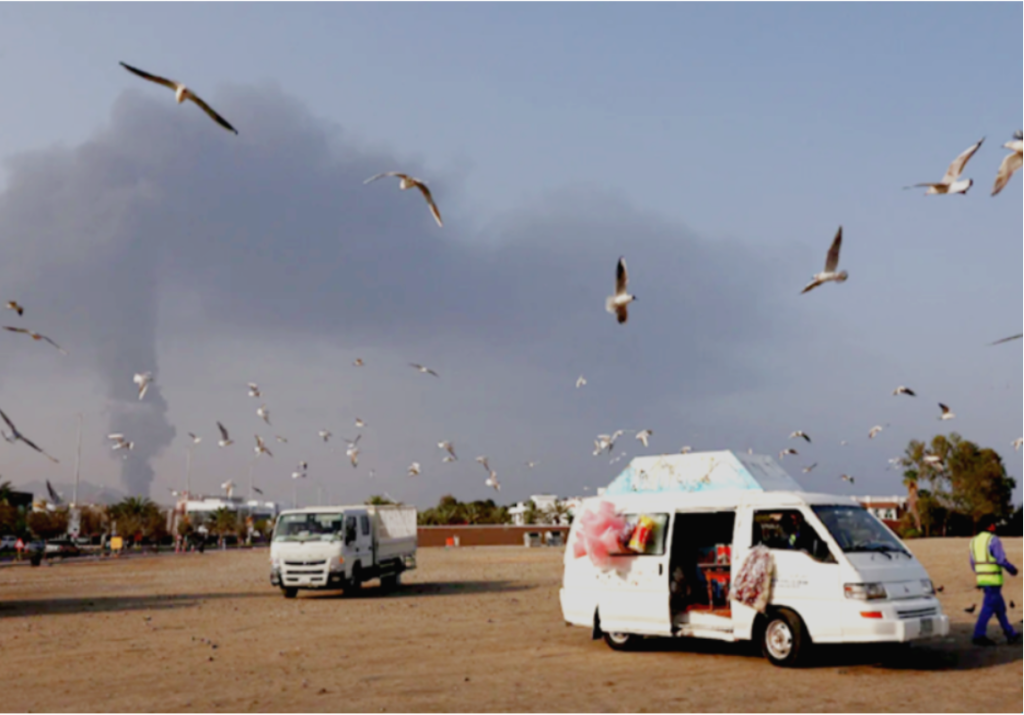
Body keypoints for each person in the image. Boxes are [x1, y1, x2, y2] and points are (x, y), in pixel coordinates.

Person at [970, 514, 1020, 646]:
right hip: (993, 579)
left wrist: (980, 574)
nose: (995, 526)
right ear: (990, 525)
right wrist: (1012, 570)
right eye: (994, 523)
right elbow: (1001, 560)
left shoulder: (974, 541)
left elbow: (972, 562)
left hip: (982, 579)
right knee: (988, 608)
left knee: (1000, 608)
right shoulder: (993, 540)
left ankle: (1010, 633)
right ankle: (979, 635)